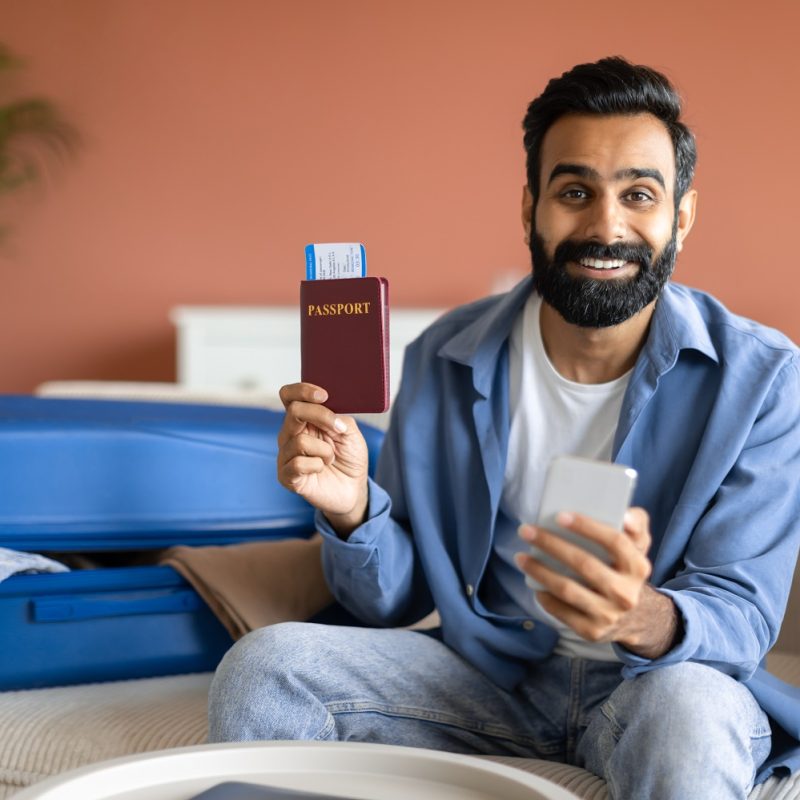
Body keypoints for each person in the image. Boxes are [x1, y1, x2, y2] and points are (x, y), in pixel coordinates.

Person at [208, 57, 800, 799]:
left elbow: (741, 614)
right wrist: (353, 509)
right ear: (531, 208)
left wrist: (637, 613)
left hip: (655, 687)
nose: (605, 226)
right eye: (575, 191)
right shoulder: (445, 356)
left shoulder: (765, 380)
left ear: (681, 215)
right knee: (266, 665)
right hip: (488, 679)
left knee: (689, 710)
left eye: (639, 195)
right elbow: (394, 599)